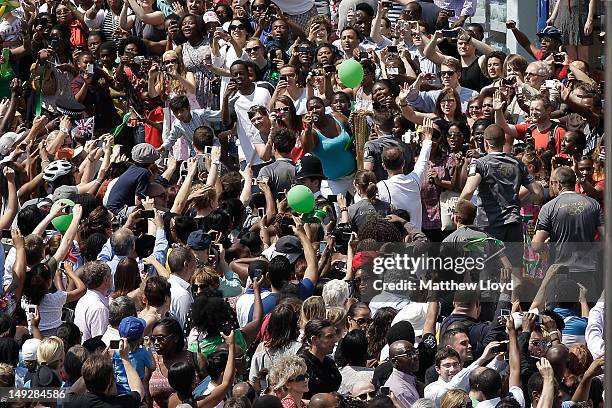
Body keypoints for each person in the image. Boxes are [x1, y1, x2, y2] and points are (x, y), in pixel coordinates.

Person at [376, 117, 434, 230]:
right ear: (403, 163)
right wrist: (428, 138)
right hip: (416, 239)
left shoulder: (380, 187)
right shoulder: (415, 180)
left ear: (384, 166)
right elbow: (423, 160)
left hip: (393, 242)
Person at [63, 341, 144, 408]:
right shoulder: (121, 404)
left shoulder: (73, 402)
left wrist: (91, 370)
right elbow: (139, 391)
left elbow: (69, 392)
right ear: (109, 382)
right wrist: (125, 358)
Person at [299, 319, 341, 399]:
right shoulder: (301, 365)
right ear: (314, 340)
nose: (335, 340)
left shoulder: (330, 363)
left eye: (334, 335)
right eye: (329, 337)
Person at [74, 261, 113, 342]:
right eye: (110, 275)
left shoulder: (84, 299)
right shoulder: (99, 309)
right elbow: (100, 344)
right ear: (106, 279)